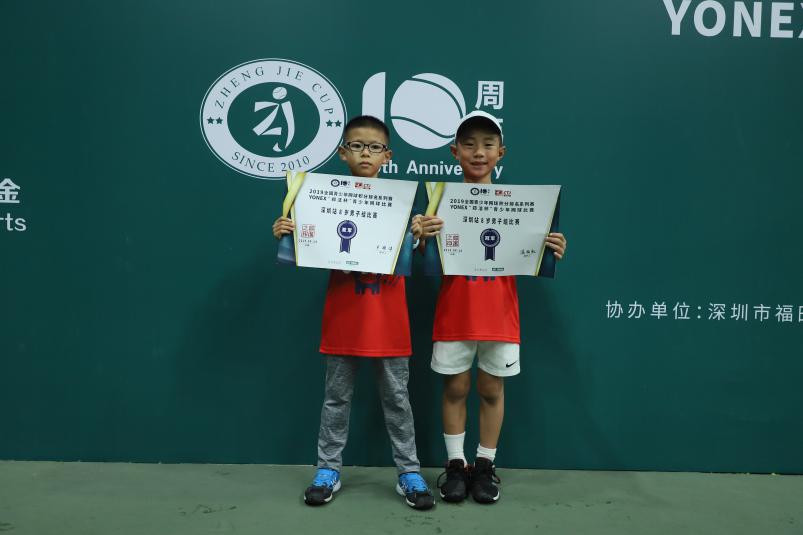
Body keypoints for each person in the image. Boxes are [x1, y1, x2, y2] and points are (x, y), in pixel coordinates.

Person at [273, 115, 434, 510]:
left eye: (374, 147)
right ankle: (328, 469)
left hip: (389, 322)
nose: (365, 153)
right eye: (357, 146)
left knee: (398, 399)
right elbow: (304, 247)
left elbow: (421, 256)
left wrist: (419, 237)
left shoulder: (405, 206)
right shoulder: (318, 201)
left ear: (387, 156)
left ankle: (409, 472)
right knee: (336, 399)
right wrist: (288, 233)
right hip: (344, 317)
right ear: (342, 152)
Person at [411, 111, 567, 504]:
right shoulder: (438, 204)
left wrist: (551, 247)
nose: (478, 152)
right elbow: (422, 259)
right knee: (456, 387)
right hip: (455, 313)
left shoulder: (525, 209)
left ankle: (484, 465)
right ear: (454, 152)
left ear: (501, 152)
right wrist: (420, 236)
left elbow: (536, 254)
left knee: (491, 388)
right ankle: (455, 465)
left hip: (500, 315)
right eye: (469, 144)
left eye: (487, 145)